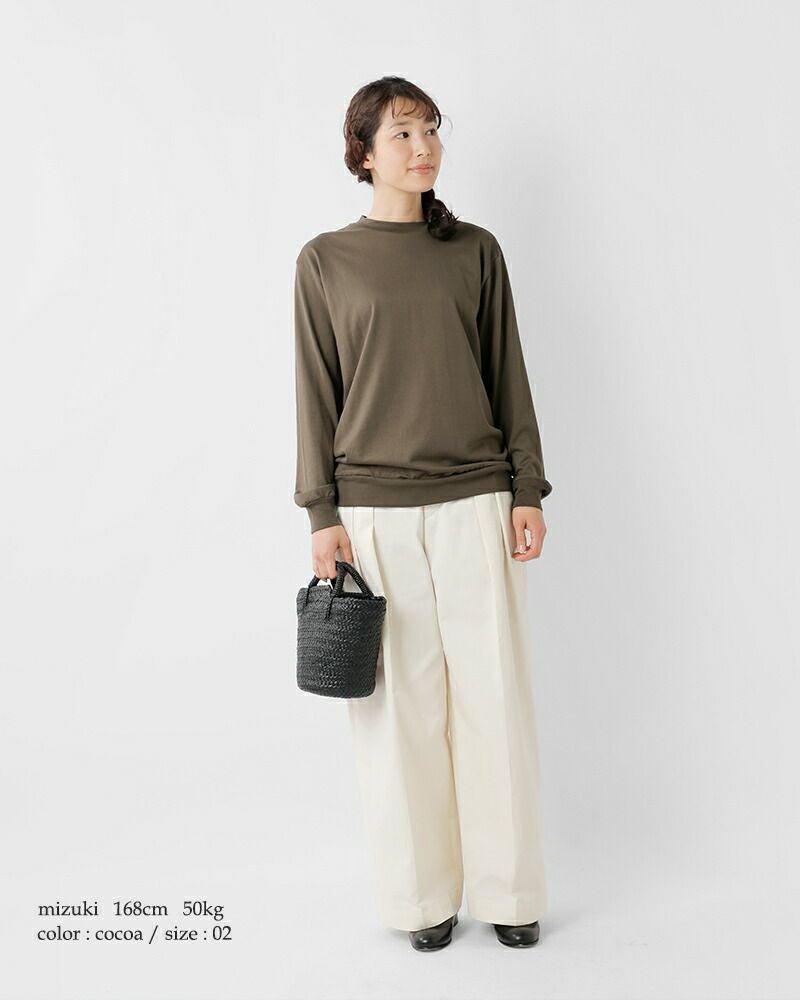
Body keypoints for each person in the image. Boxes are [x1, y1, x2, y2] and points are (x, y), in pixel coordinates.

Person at [293, 76, 552, 951]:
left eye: (431, 129)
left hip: (478, 499)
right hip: (373, 516)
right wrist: (321, 513)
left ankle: (510, 894)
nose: (424, 146)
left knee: (495, 701)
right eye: (402, 133)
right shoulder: (324, 262)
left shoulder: (475, 251)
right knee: (397, 715)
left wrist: (527, 488)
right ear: (363, 154)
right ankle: (421, 900)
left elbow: (508, 374)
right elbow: (314, 395)